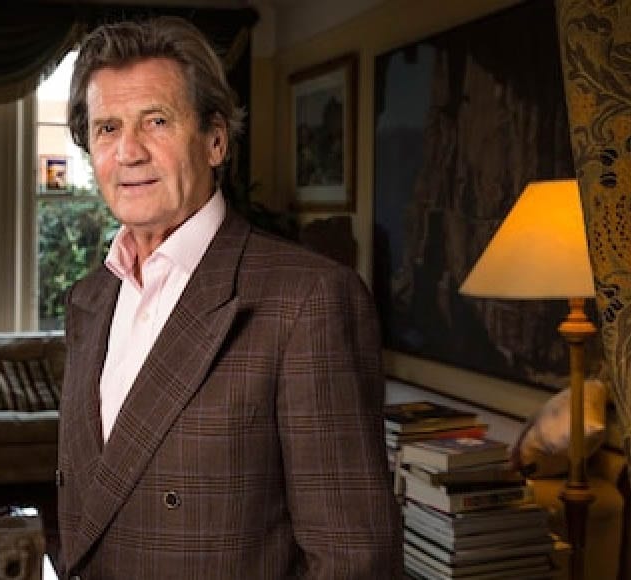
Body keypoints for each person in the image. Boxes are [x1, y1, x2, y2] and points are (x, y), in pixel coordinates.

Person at [56, 16, 401, 579]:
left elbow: (353, 560)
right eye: (107, 128)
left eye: (156, 121)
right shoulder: (88, 301)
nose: (129, 152)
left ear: (215, 140)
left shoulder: (308, 299)